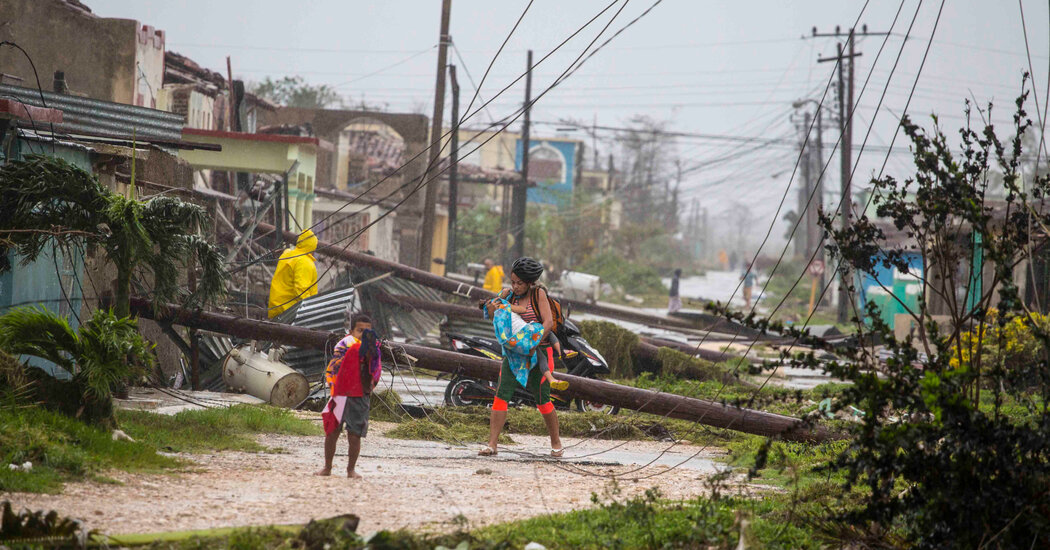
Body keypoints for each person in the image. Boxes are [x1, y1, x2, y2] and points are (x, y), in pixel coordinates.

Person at [479, 257, 564, 458]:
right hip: (515, 354)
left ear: (530, 283)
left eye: (519, 283)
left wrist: (532, 343)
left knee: (542, 400)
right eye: (512, 282)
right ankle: (492, 444)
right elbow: (492, 314)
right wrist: (493, 306)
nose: (515, 287)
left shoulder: (538, 294)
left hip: (538, 353)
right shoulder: (509, 295)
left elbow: (548, 323)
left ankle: (556, 443)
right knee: (501, 395)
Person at [316, 313, 379, 478]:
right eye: (360, 330)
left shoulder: (372, 350)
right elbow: (334, 366)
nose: (363, 335)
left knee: (354, 434)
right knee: (332, 432)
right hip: (340, 394)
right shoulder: (344, 346)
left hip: (360, 396)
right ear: (351, 331)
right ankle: (327, 467)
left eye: (367, 331)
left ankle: (350, 469)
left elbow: (376, 371)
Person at [484, 298, 568, 391]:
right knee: (548, 332)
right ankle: (561, 352)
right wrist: (508, 303)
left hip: (517, 341)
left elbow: (491, 314)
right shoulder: (505, 308)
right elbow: (523, 309)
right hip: (525, 332)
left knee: (540, 356)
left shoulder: (496, 318)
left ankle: (551, 380)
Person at [268, 229, 319, 319]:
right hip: (290, 313)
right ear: (313, 247)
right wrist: (311, 312)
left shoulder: (287, 254)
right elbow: (301, 291)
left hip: (276, 308)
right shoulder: (304, 262)